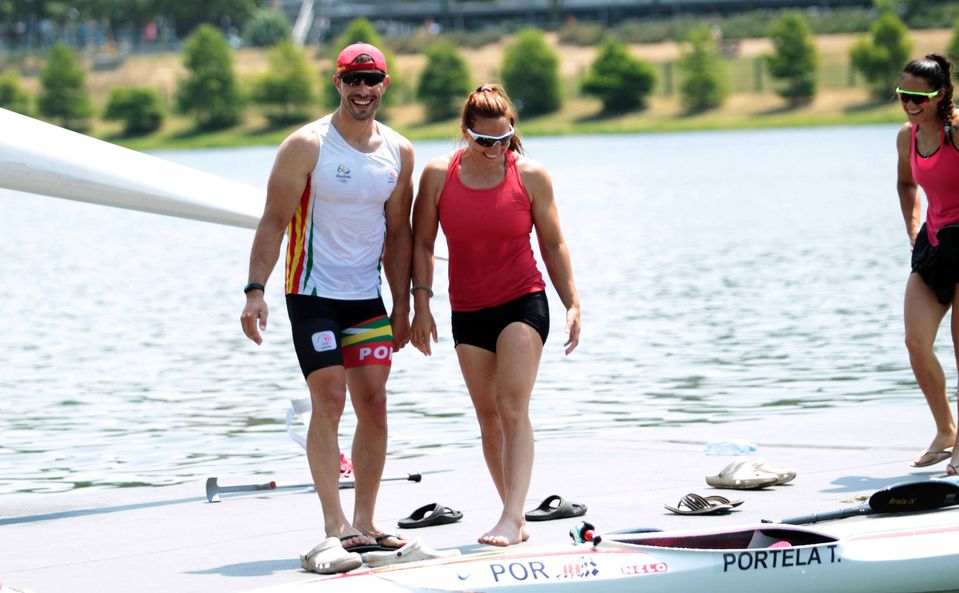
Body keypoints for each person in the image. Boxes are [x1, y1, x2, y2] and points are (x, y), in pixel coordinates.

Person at [240, 42, 413, 555]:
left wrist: (403, 305)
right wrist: (255, 292)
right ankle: (335, 523)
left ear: (384, 84)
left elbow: (399, 235)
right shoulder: (307, 145)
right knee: (331, 399)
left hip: (367, 297)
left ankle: (366, 518)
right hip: (311, 293)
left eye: (371, 80)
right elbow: (273, 222)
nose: (362, 90)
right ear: (337, 83)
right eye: (352, 81)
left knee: (375, 406)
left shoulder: (398, 151)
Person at [409, 85, 581, 546]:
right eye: (484, 141)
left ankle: (509, 517)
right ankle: (516, 515)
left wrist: (573, 302)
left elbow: (553, 243)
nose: (495, 149)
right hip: (467, 308)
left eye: (503, 139)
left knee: (511, 404)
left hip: (522, 300)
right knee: (488, 417)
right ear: (466, 134)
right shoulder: (437, 176)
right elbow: (422, 243)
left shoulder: (530, 176)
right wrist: (420, 305)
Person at [896, 54, 959, 474]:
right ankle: (946, 430)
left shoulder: (957, 132)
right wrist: (913, 227)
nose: (910, 102)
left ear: (939, 96)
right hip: (934, 245)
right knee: (916, 342)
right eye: (904, 94)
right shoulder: (908, 137)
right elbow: (906, 183)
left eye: (918, 95)